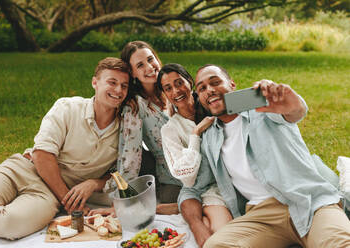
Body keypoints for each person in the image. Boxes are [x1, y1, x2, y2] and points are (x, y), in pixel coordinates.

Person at [179, 64, 350, 248]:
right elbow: (193, 187)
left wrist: (289, 103)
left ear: (232, 84)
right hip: (261, 217)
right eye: (202, 88)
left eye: (215, 82)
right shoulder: (210, 137)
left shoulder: (262, 109)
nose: (209, 90)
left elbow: (294, 112)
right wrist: (197, 226)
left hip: (309, 203)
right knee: (216, 245)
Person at [0, 57, 130, 240]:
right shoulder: (68, 107)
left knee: (7, 225)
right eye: (112, 82)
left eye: (124, 85)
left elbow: (121, 171)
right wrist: (70, 202)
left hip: (48, 194)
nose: (118, 90)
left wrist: (94, 183)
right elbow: (42, 155)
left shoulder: (127, 129)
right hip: (23, 169)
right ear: (95, 83)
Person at [104, 41, 182, 208]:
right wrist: (122, 200)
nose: (149, 67)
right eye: (140, 65)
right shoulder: (134, 106)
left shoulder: (173, 87)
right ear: (132, 73)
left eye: (150, 59)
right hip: (173, 176)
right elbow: (130, 156)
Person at [158, 63, 233, 233]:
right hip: (205, 188)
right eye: (168, 88)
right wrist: (195, 134)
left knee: (218, 227)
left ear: (190, 82)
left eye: (179, 83)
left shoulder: (212, 104)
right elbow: (187, 178)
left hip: (231, 179)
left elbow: (246, 106)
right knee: (219, 230)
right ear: (165, 95)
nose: (176, 91)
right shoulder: (170, 129)